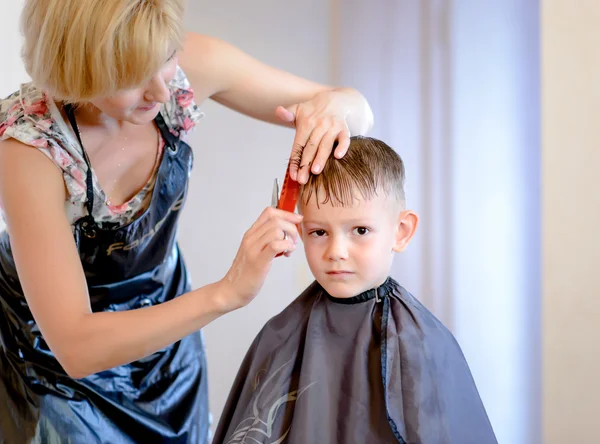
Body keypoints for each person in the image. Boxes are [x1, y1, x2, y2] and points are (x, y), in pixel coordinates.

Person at [0, 1, 374, 443]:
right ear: (77, 68)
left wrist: (331, 112)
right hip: (55, 366)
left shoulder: (178, 67)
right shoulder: (28, 150)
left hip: (169, 345)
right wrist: (227, 292)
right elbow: (77, 347)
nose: (162, 90)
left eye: (167, 57)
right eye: (135, 75)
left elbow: (357, 110)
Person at [212, 136, 498, 444]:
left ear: (400, 232)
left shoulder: (424, 344)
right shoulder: (279, 335)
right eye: (319, 232)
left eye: (360, 230)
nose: (336, 251)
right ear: (300, 233)